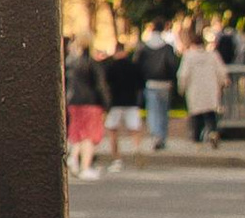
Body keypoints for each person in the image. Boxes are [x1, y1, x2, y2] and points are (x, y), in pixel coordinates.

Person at [63, 36, 106, 180]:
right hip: (91, 102)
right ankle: (85, 167)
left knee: (77, 132)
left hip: (74, 101)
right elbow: (100, 85)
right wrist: (106, 103)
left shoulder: (71, 62)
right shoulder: (91, 63)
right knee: (89, 135)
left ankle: (73, 157)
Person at [99, 35, 145, 172]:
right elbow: (141, 83)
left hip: (115, 103)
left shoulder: (110, 67)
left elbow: (105, 85)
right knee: (134, 129)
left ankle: (117, 159)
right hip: (131, 102)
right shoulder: (133, 66)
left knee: (112, 130)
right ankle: (136, 148)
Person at [136, 21, 181, 153]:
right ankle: (162, 136)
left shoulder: (145, 47)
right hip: (165, 83)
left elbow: (139, 66)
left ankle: (156, 135)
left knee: (153, 110)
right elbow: (173, 65)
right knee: (163, 111)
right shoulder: (167, 47)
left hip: (150, 82)